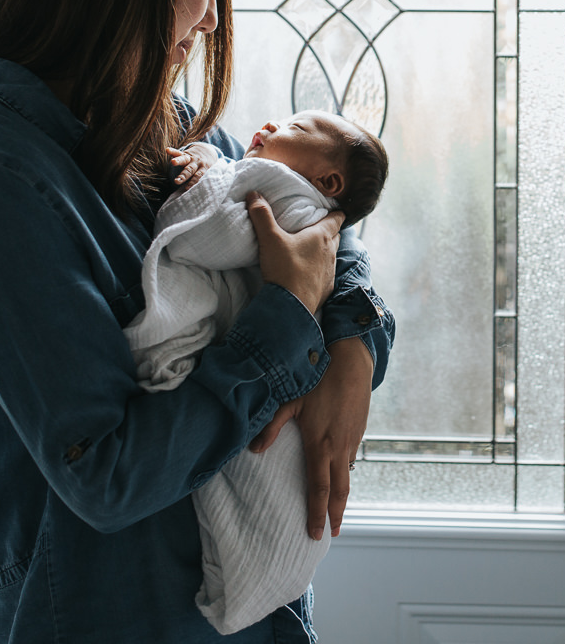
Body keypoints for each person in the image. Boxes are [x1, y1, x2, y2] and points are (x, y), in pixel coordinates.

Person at [0, 0, 394, 643]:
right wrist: (283, 330)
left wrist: (348, 340)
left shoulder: (148, 112)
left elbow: (301, 212)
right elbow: (109, 476)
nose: (209, 20)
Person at [128, 111, 389, 633]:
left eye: (294, 127)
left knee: (271, 469)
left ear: (328, 182)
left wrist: (353, 344)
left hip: (270, 391)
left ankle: (257, 576)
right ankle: (251, 578)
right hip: (147, 580)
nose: (271, 123)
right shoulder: (267, 172)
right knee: (252, 479)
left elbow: (204, 238)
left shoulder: (277, 185)